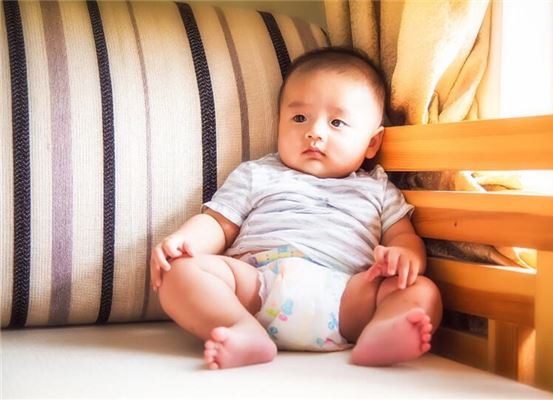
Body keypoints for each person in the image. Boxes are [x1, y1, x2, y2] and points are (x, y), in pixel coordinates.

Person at [150, 47, 443, 370]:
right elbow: (218, 224)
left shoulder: (378, 189)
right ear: (279, 124)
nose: (314, 132)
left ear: (372, 143)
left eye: (337, 122)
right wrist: (185, 241)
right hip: (256, 287)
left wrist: (405, 256)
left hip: (347, 294)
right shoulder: (257, 174)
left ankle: (382, 331)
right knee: (178, 271)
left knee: (420, 289)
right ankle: (241, 329)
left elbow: (403, 236)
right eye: (299, 118)